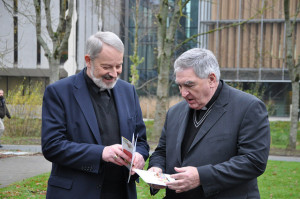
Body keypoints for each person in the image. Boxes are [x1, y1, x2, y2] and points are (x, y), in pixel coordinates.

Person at [148, 48, 270, 198]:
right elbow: (162, 151)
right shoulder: (174, 112)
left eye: (189, 85)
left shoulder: (248, 107)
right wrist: (156, 168)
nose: (183, 93)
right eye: (179, 85)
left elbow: (253, 161)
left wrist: (201, 176)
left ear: (211, 79)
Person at [42, 31, 149, 199]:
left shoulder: (129, 91)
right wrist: (101, 153)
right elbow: (52, 146)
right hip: (76, 193)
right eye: (106, 67)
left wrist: (139, 156)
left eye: (118, 66)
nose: (114, 73)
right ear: (88, 60)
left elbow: (141, 141)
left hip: (121, 192)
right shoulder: (59, 92)